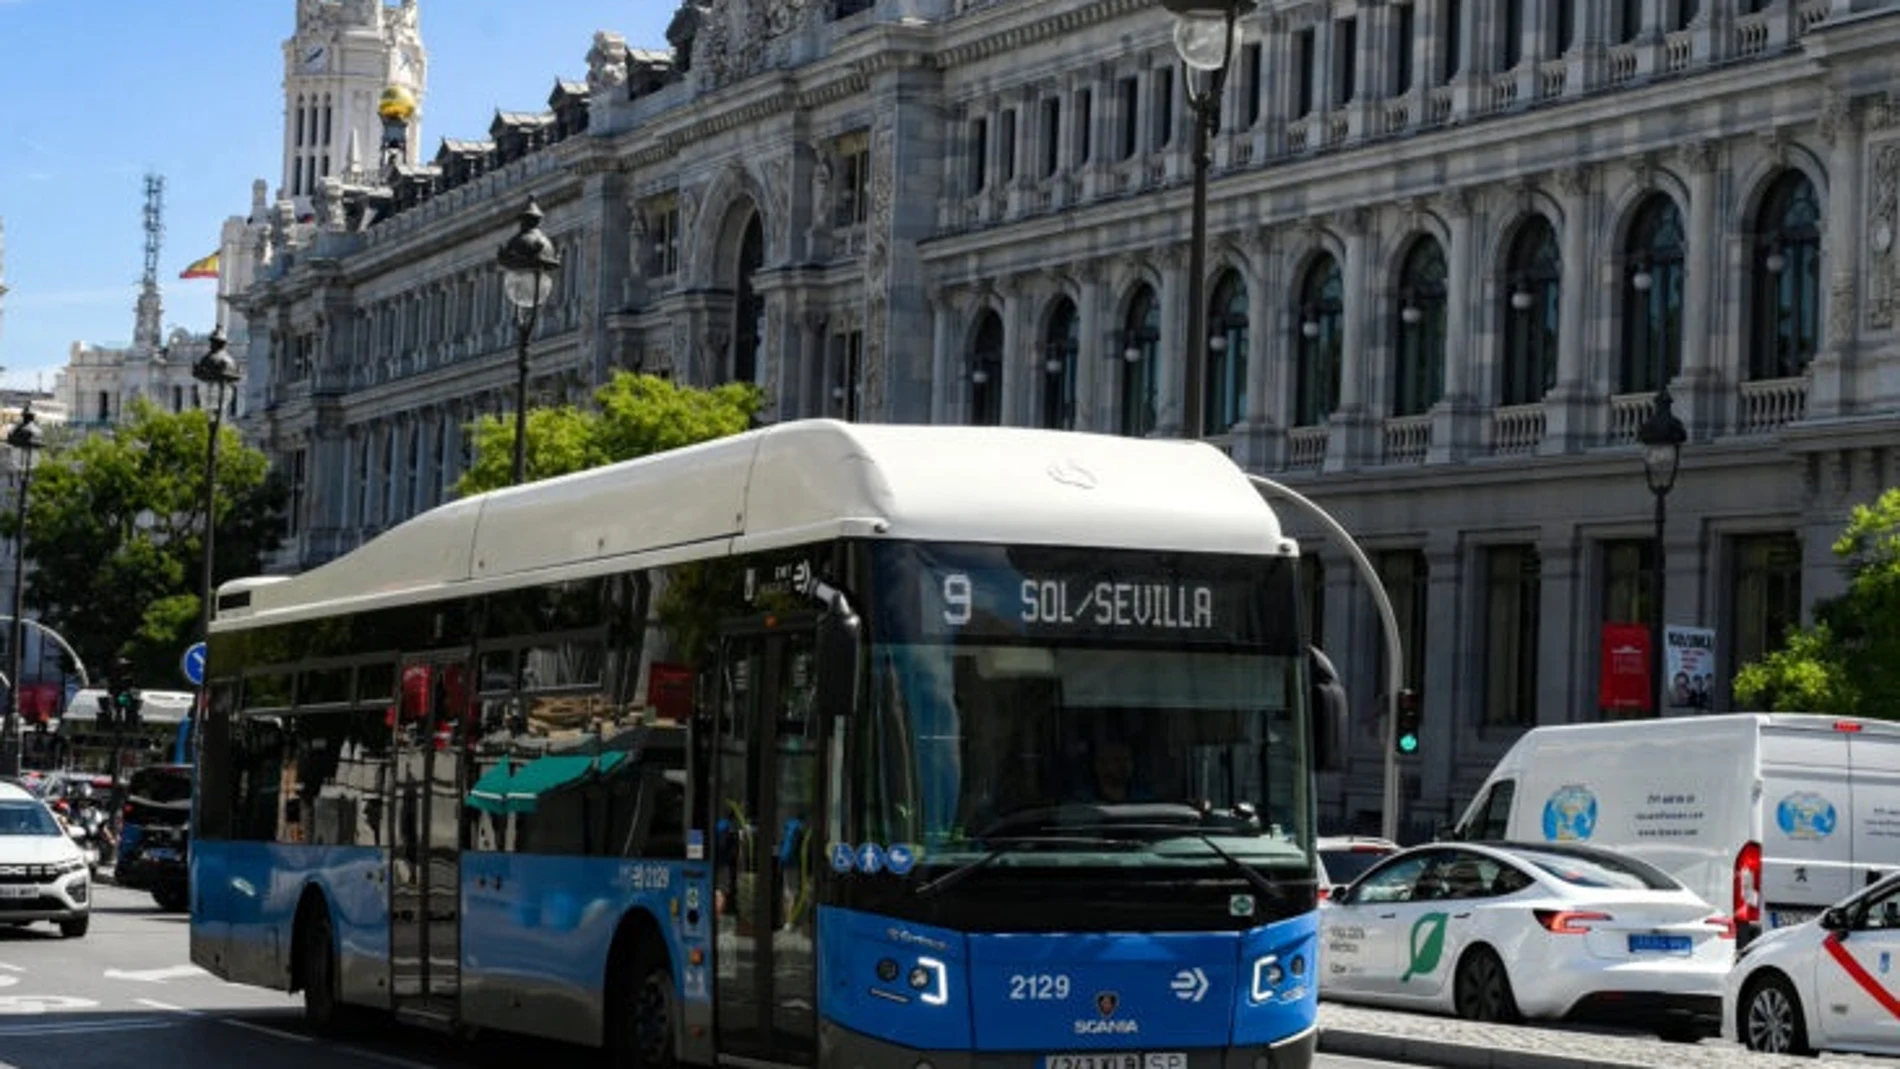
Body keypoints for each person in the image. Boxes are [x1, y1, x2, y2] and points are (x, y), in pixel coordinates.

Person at [1085, 740, 1151, 804]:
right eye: (1117, 760)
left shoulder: (1145, 798)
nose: (1123, 765)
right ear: (1100, 765)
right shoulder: (1083, 800)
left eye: (1127, 759)